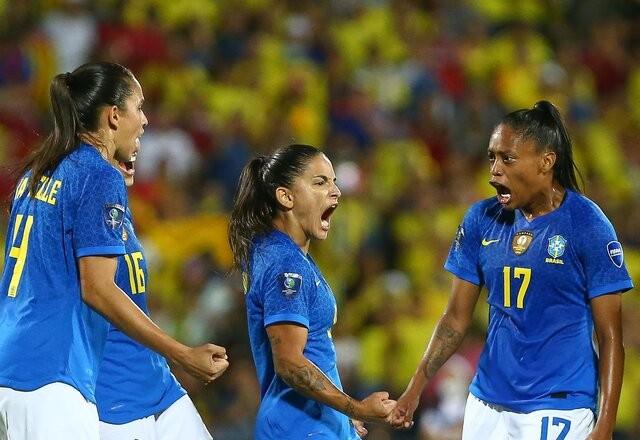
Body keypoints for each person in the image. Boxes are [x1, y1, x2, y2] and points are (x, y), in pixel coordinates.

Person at [0, 62, 228, 440]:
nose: (145, 119)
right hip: (54, 372)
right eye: (139, 107)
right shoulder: (96, 173)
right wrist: (182, 353)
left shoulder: (37, 174)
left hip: (16, 364)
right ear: (113, 115)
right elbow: (98, 287)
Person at [391, 100, 633, 440]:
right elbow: (455, 319)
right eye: (492, 157)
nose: (494, 170)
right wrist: (415, 387)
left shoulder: (587, 225)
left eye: (508, 158)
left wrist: (604, 426)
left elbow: (610, 338)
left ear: (546, 162)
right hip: (486, 403)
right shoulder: (481, 219)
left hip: (557, 404)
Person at [228, 144, 396, 439]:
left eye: (334, 182)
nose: (335, 191)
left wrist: (339, 416)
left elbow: (315, 354)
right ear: (286, 196)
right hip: (299, 426)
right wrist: (356, 408)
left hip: (312, 422)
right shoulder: (286, 264)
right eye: (320, 182)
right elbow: (290, 362)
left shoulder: (282, 252)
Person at [96, 152, 218, 439]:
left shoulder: (123, 215)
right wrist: (182, 353)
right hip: (115, 395)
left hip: (157, 380)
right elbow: (97, 292)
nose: (130, 158)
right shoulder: (85, 213)